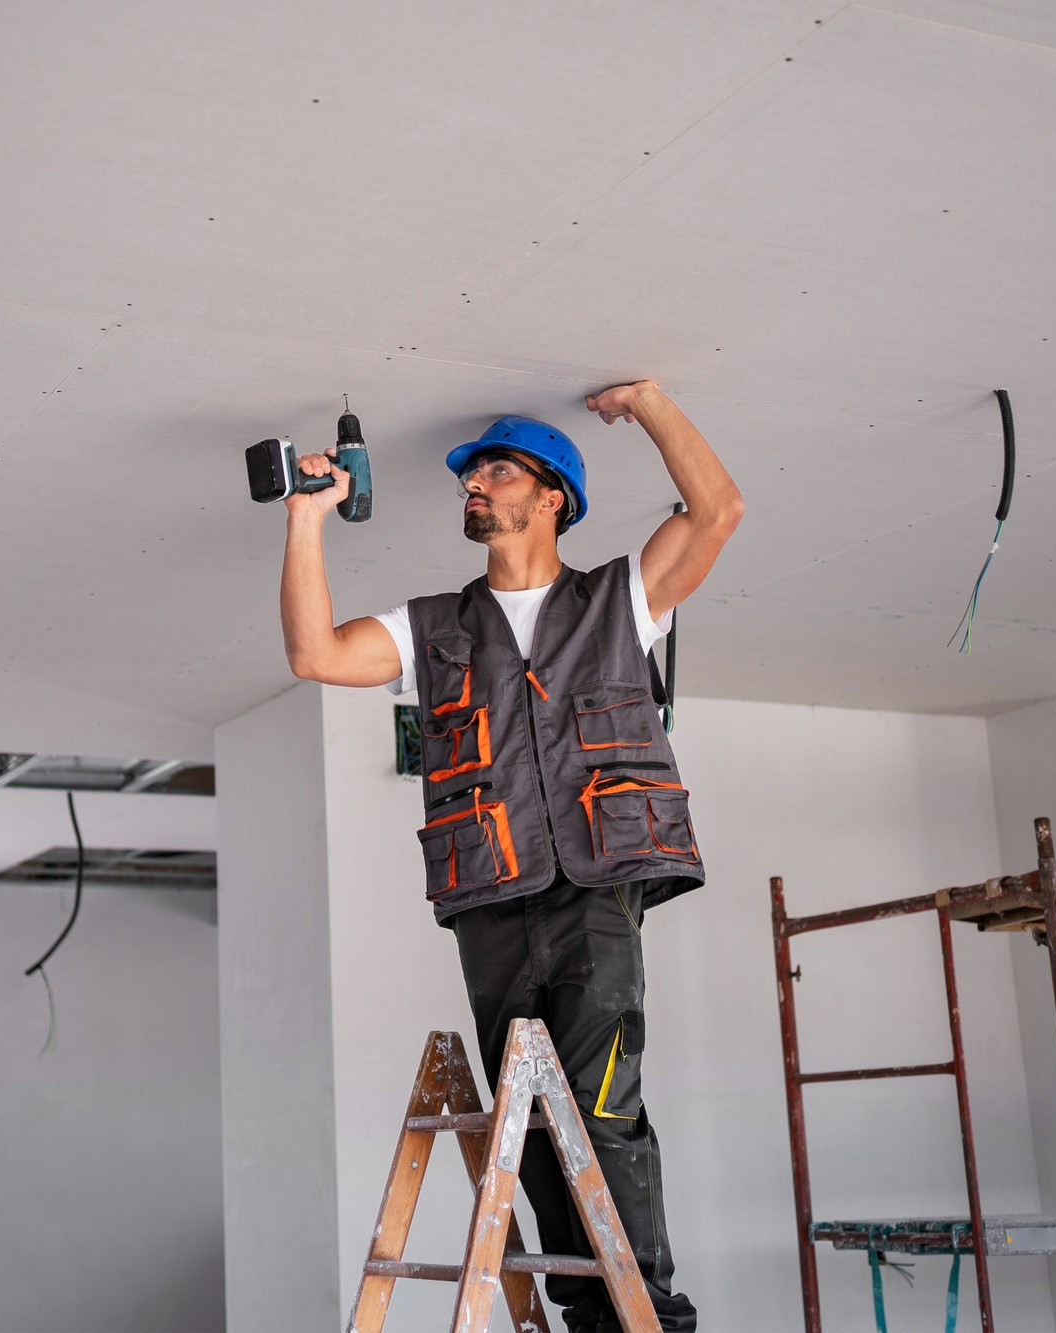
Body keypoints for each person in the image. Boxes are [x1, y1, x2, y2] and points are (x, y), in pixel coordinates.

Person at [278, 379, 742, 1332]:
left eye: (494, 471)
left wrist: (651, 401)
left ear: (552, 495)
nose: (473, 488)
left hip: (596, 893)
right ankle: (586, 1314)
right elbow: (315, 654)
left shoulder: (622, 600)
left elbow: (718, 510)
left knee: (602, 1110)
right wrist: (306, 518)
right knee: (528, 1127)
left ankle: (646, 1319)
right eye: (469, 478)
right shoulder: (434, 627)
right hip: (490, 899)